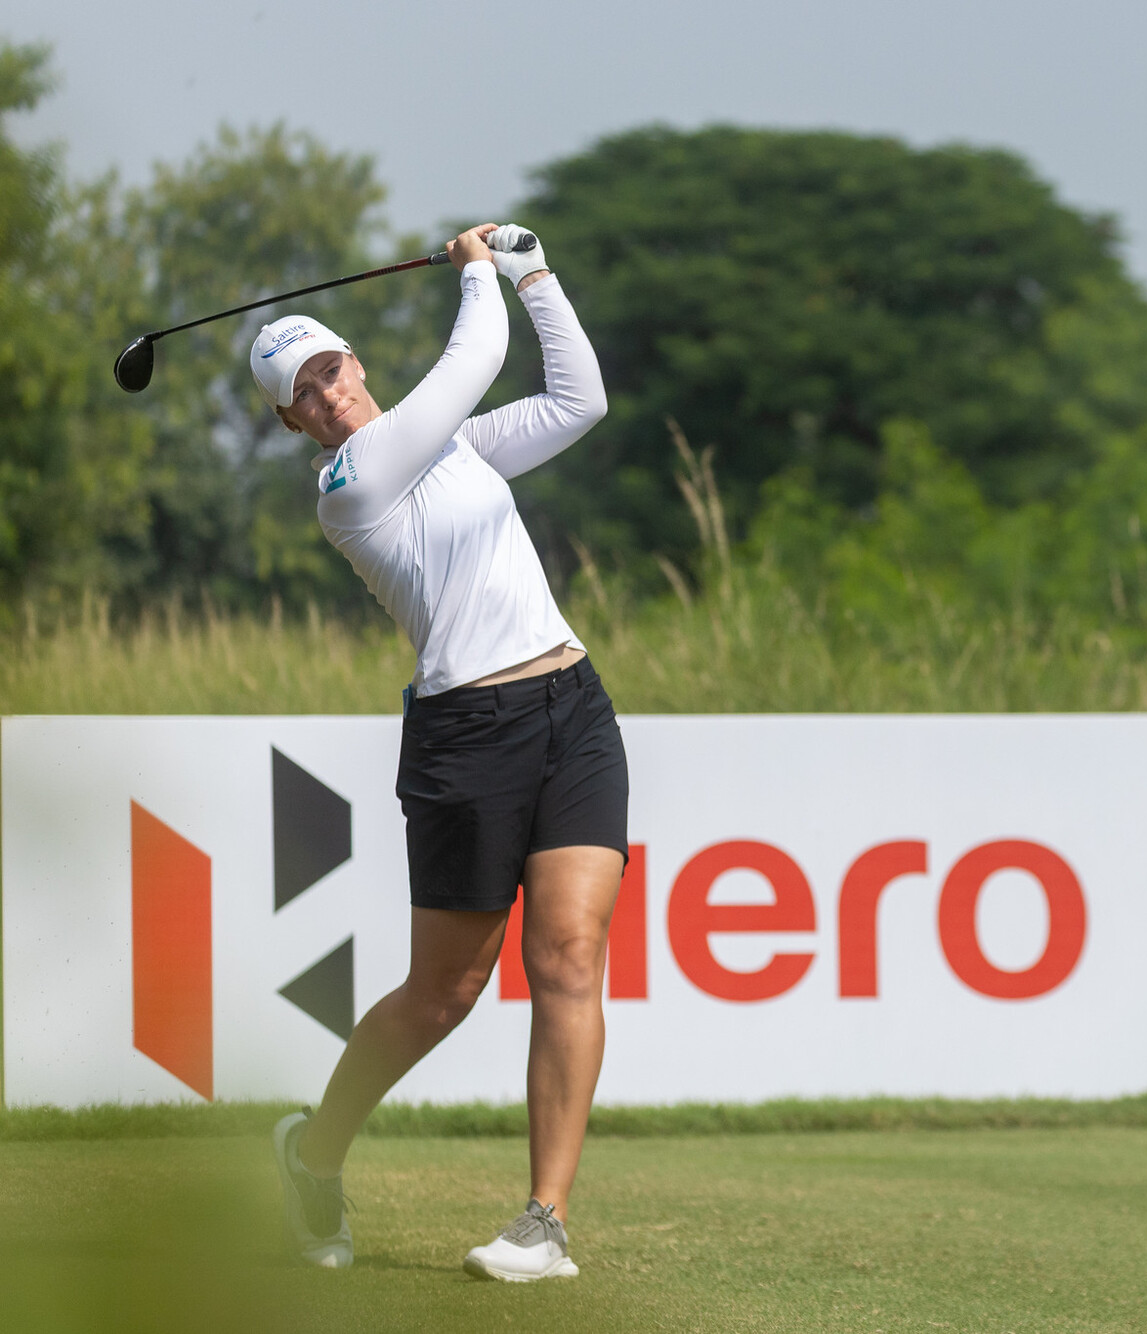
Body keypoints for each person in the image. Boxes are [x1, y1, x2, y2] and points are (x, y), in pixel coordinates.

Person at [253, 223, 621, 1282]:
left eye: (330, 369)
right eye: (302, 394)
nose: (325, 394)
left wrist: (537, 273)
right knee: (444, 992)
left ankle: (543, 1220)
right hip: (468, 733)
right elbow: (474, 359)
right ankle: (312, 1152)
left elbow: (577, 403)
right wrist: (475, 271)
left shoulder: (450, 450)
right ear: (290, 423)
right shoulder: (351, 483)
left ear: (355, 361)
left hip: (573, 705)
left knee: (570, 957)